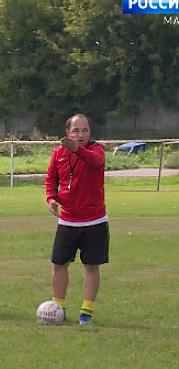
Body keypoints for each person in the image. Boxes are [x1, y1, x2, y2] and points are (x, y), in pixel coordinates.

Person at [45, 113, 109, 325]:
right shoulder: (58, 153)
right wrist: (52, 198)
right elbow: (51, 178)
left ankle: (86, 313)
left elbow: (95, 162)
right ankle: (58, 308)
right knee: (59, 264)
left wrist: (78, 151)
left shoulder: (96, 150)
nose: (80, 134)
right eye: (76, 130)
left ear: (90, 133)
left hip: (94, 221)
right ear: (67, 133)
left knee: (91, 266)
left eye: (85, 130)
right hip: (67, 221)